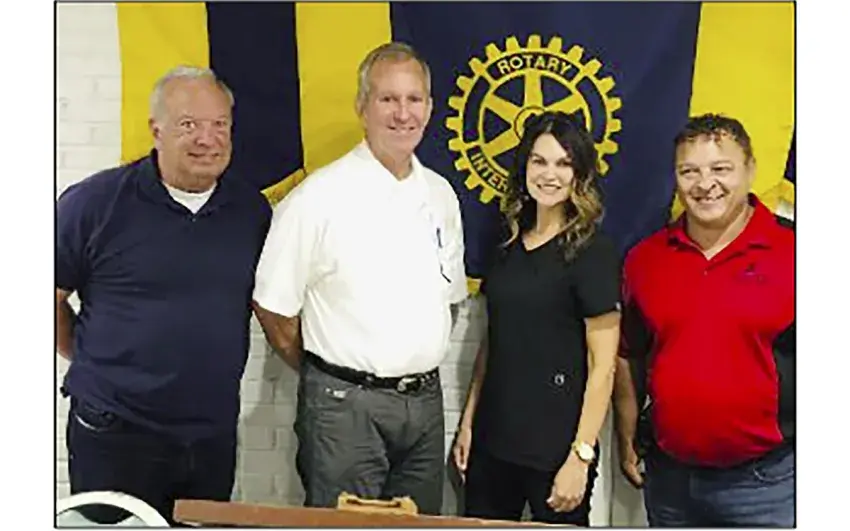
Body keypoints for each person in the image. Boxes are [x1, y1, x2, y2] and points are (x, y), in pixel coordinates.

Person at [251, 42, 468, 515]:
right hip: (344, 408)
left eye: (414, 99)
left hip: (424, 406)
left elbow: (449, 298)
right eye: (388, 99)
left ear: (430, 107)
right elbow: (272, 306)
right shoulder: (318, 198)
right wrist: (330, 374)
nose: (403, 113)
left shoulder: (440, 195)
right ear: (362, 106)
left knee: (421, 526)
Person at [55, 66, 272, 524]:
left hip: (210, 436)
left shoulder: (251, 211)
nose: (207, 139)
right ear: (156, 130)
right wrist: (88, 354)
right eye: (189, 124)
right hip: (115, 432)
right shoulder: (94, 204)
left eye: (219, 125)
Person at [612, 114, 795, 527]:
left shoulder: (796, 251)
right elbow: (629, 354)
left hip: (768, 485)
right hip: (670, 482)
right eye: (689, 171)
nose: (704, 183)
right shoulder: (645, 259)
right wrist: (626, 435)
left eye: (720, 168)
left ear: (750, 170)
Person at [451, 111, 622, 526]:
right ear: (524, 166)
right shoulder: (507, 244)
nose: (549, 174)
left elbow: (603, 366)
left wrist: (581, 456)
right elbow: (494, 342)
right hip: (493, 444)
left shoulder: (593, 252)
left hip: (556, 452)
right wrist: (469, 423)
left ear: (580, 173)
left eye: (563, 163)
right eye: (539, 161)